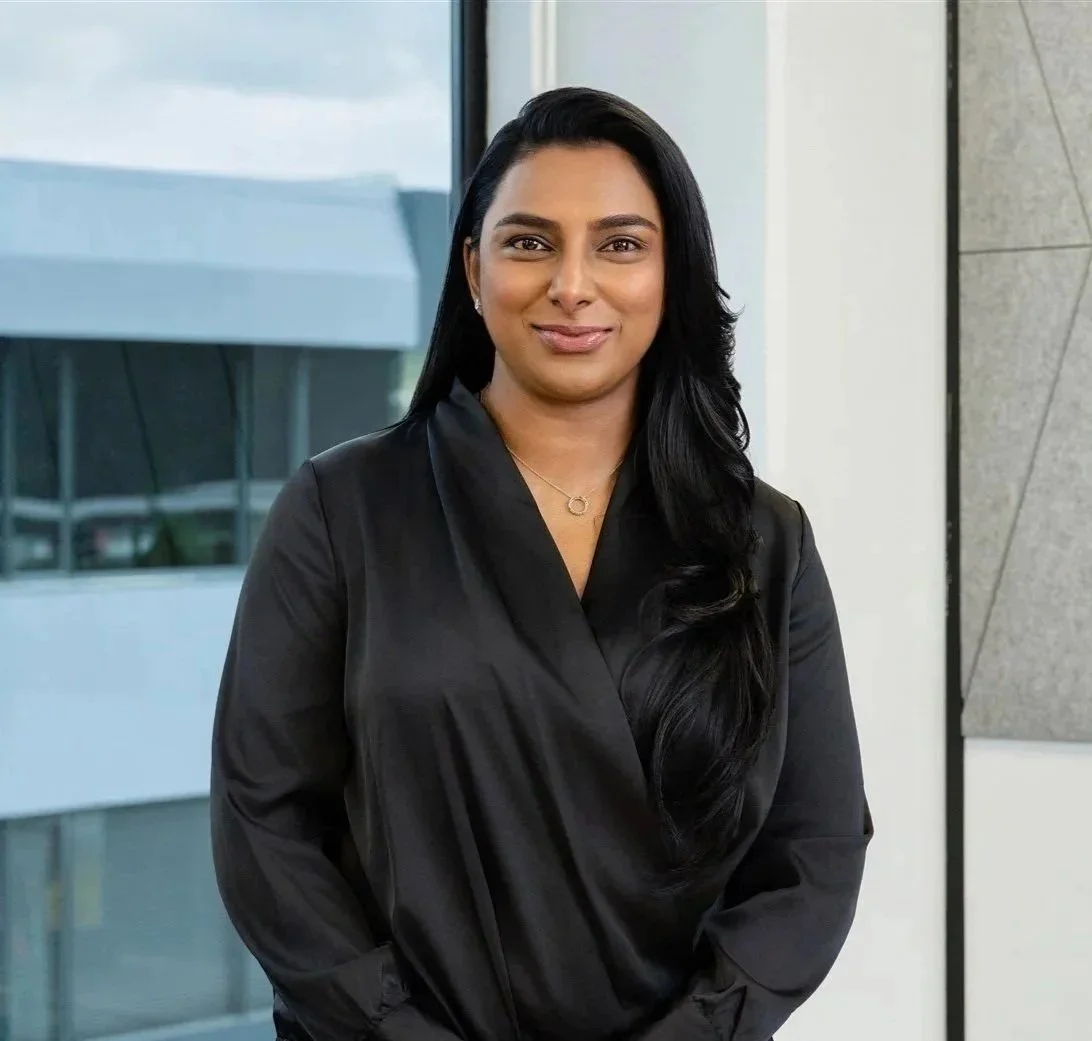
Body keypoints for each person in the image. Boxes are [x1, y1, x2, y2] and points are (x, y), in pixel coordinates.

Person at [210, 86, 871, 1041]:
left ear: (670, 274)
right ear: (474, 269)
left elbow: (815, 848)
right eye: (529, 242)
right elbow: (263, 822)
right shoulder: (341, 508)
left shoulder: (764, 541)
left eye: (619, 244)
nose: (572, 283)